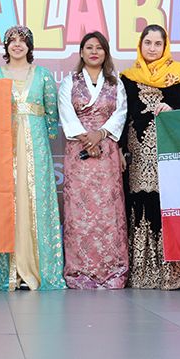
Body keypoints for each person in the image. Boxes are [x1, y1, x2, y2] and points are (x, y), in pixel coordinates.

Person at [0, 26, 66, 291]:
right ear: (5, 46)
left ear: (30, 46)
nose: (17, 45)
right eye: (12, 41)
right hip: (4, 149)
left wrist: (45, 139)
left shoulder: (43, 75)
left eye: (22, 41)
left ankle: (36, 270)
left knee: (35, 201)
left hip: (36, 150)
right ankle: (8, 272)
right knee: (7, 203)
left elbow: (51, 116)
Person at [120, 24, 180, 290]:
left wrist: (173, 108)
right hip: (138, 154)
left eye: (158, 43)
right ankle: (146, 273)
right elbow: (122, 116)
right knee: (143, 203)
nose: (152, 48)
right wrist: (121, 149)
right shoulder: (127, 78)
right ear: (140, 45)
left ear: (165, 46)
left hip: (171, 153)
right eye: (148, 43)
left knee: (170, 203)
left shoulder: (179, 74)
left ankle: (179, 272)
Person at [58, 31, 128, 289]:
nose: (94, 52)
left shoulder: (115, 83)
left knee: (108, 212)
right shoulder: (70, 82)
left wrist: (100, 135)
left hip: (107, 149)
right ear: (81, 52)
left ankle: (112, 270)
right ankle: (80, 271)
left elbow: (120, 113)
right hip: (79, 152)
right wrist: (87, 139)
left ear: (105, 52)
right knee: (80, 212)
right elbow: (66, 112)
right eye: (89, 47)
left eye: (99, 48)